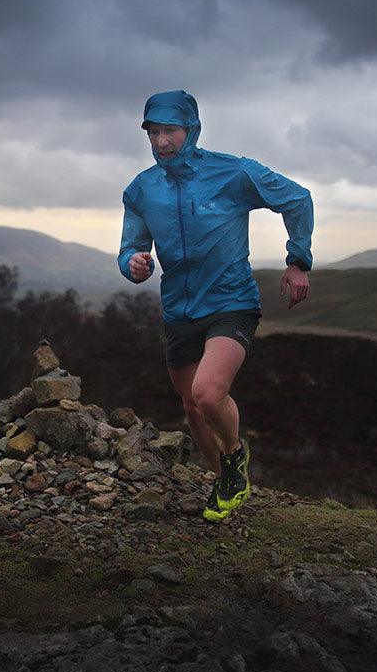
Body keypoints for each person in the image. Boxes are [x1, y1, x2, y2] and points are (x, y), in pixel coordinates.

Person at [118, 90, 313, 523]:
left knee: (208, 394)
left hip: (231, 301)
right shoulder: (142, 189)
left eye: (170, 131)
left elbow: (298, 199)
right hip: (178, 311)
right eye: (153, 132)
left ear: (192, 130)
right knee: (191, 407)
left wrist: (298, 261)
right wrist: (132, 264)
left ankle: (235, 458)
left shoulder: (234, 172)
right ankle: (225, 478)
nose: (161, 142)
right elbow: (131, 246)